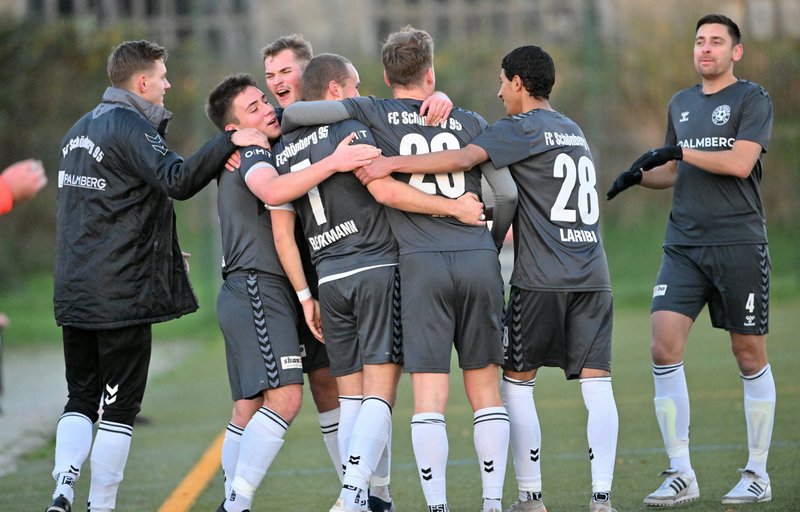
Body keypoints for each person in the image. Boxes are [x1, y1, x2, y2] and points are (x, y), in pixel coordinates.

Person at [356, 44, 620, 512]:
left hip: (539, 275)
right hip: (594, 271)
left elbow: (462, 159)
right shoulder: (573, 129)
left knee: (515, 384)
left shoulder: (518, 128)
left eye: (502, 83)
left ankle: (530, 497)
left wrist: (391, 163)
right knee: (597, 386)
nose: (499, 93)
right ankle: (600, 499)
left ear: (518, 82)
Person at [283, 26, 517, 512]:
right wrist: (486, 240)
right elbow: (507, 195)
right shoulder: (470, 120)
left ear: (386, 77)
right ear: (431, 72)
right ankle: (494, 503)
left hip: (418, 265)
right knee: (485, 390)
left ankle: (432, 506)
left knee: (428, 397)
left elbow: (297, 114)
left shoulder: (370, 112)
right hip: (476, 258)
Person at [48, 40, 269, 512]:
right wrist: (229, 140)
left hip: (74, 288)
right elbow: (177, 180)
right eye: (163, 76)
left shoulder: (77, 130)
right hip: (119, 296)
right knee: (120, 408)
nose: (168, 85)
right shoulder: (130, 125)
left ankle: (62, 488)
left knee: (80, 398)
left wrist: (164, 254)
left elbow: (106, 212)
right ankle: (100, 505)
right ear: (142, 81)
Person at [607, 13, 775, 507]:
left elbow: (739, 162)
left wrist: (680, 151)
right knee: (663, 347)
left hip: (739, 244)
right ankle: (681, 471)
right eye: (700, 41)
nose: (706, 48)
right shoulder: (680, 103)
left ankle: (758, 473)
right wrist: (640, 176)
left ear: (735, 52)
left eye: (716, 41)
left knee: (749, 354)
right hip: (683, 245)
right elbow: (677, 170)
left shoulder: (752, 99)